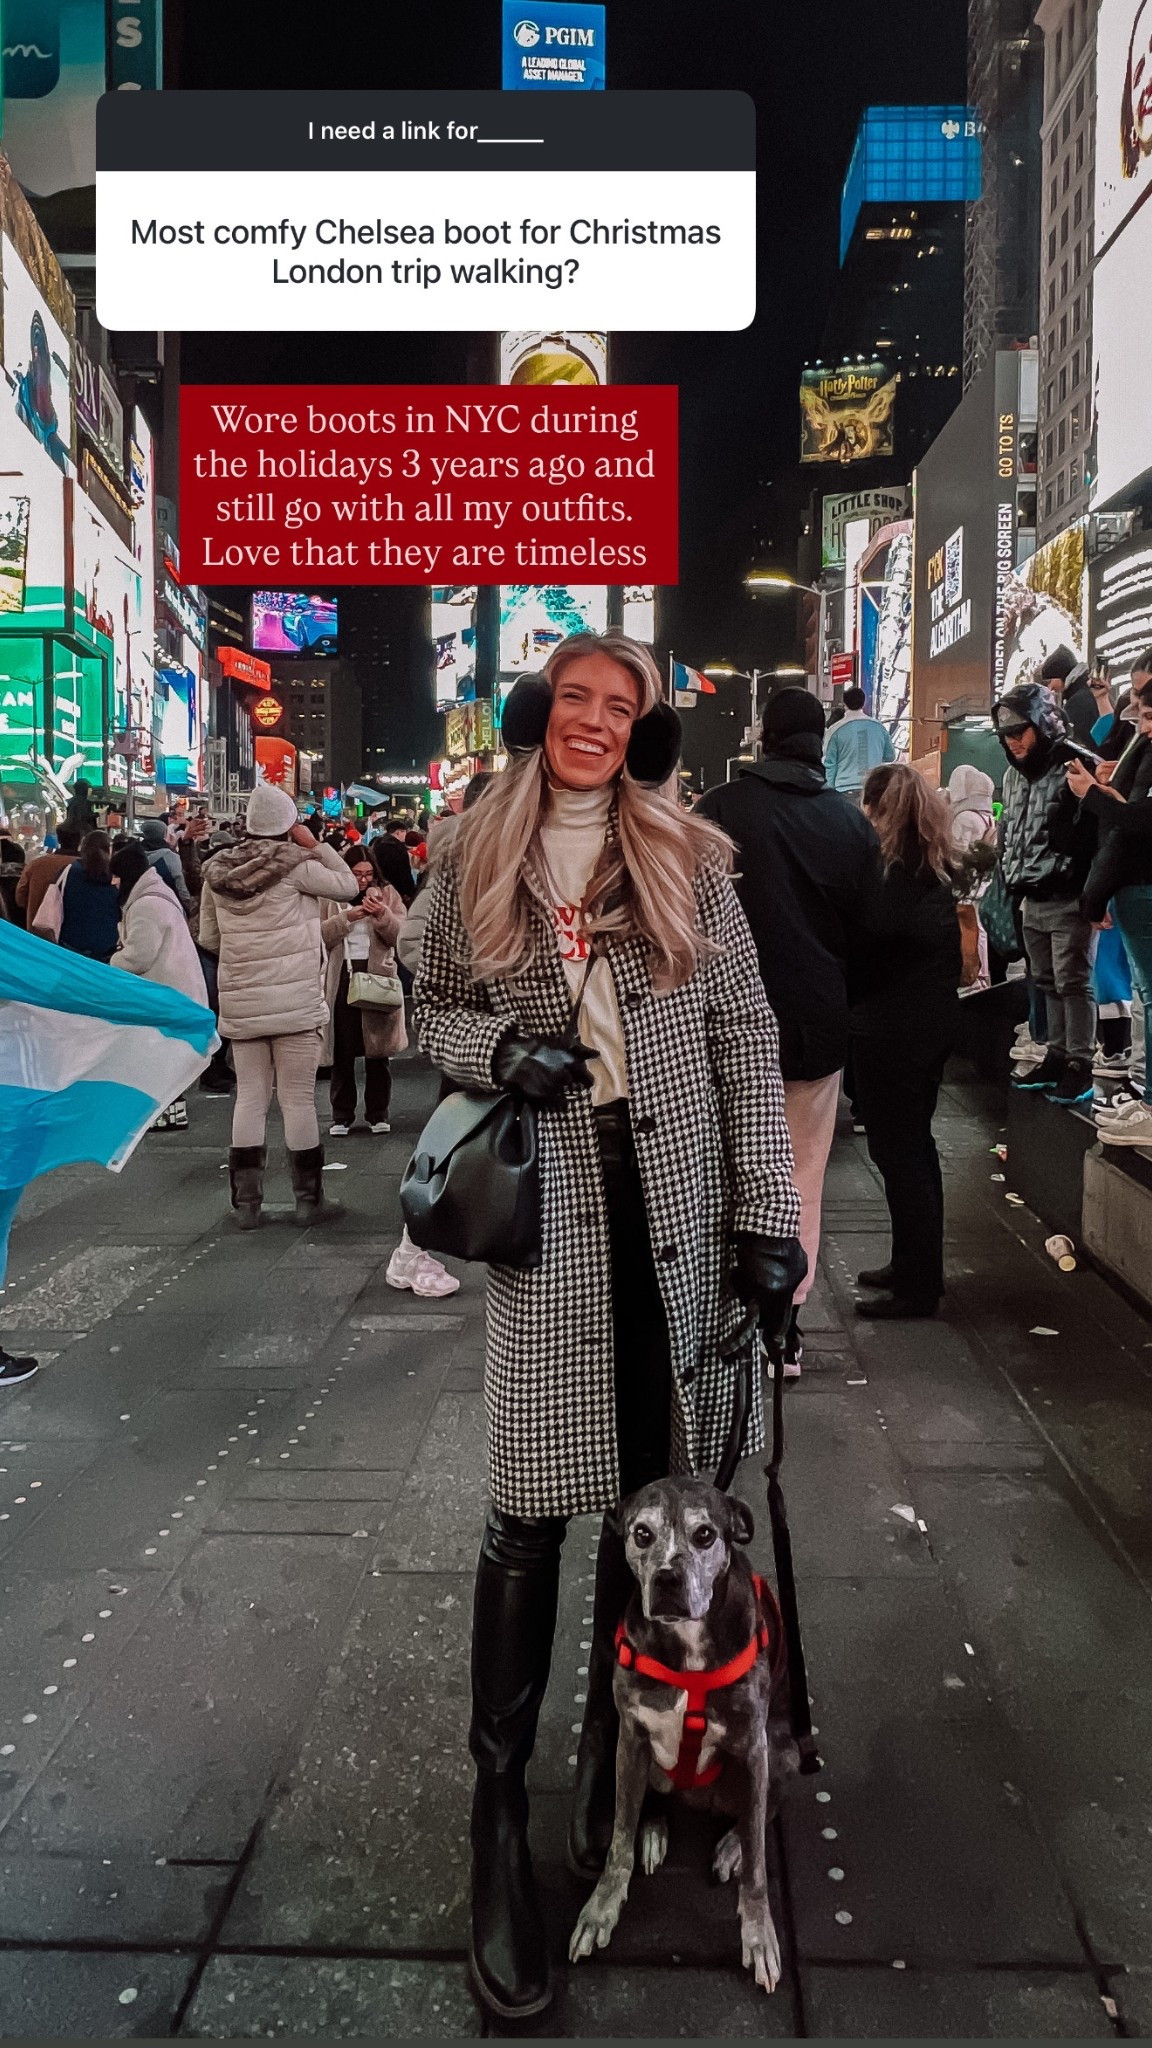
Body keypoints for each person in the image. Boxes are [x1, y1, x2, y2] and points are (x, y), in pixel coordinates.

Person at [414, 629, 804, 2022]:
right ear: (541, 715)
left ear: (641, 727)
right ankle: (495, 1812)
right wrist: (492, 1051)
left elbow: (747, 1037)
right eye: (572, 698)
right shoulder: (473, 850)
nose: (591, 720)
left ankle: (611, 1740)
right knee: (531, 1507)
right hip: (553, 1222)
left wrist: (773, 1216)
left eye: (617, 704)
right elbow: (430, 1007)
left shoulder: (691, 857)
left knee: (660, 1486)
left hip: (682, 1212)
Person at [697, 687, 880, 1375]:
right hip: (813, 1028)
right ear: (819, 741)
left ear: (764, 738)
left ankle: (721, 1316)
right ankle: (785, 1329)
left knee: (718, 1172)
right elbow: (868, 937)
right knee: (800, 1176)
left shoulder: (717, 809)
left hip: (719, 1030)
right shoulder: (849, 823)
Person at [198, 781, 358, 1229]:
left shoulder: (216, 873)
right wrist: (319, 844)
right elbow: (347, 886)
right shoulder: (296, 866)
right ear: (288, 826)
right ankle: (308, 1201)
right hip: (295, 1002)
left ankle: (247, 1206)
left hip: (243, 1002)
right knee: (297, 1101)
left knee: (249, 1097)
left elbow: (209, 938)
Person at [850, 764, 962, 1320]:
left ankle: (917, 1287)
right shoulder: (931, 863)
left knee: (902, 1156)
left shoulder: (890, 873)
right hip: (928, 1026)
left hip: (894, 1031)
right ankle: (914, 1265)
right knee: (913, 1152)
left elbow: (874, 946)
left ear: (876, 808)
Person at [386, 776, 495, 1301]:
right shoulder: (458, 871)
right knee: (457, 1149)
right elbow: (413, 941)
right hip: (477, 1042)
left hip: (509, 1042)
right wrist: (465, 987)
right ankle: (413, 1250)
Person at [994, 683, 1100, 1105]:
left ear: (1041, 724)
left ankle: (1080, 1062)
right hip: (1030, 894)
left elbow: (1097, 831)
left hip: (1068, 892)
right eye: (1006, 733)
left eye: (1021, 730)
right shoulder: (1011, 775)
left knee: (1072, 980)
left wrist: (1097, 892)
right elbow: (1010, 833)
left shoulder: (1075, 765)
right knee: (1046, 979)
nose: (1013, 740)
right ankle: (1058, 1054)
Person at [1071, 687, 1152, 1147]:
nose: (1142, 727)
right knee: (1141, 994)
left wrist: (1095, 797)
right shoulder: (1139, 749)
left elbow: (1139, 820)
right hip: (1131, 886)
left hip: (1140, 884)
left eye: (1147, 715)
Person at [109, 843, 210, 1130]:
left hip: (165, 994)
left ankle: (164, 1116)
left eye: (116, 876)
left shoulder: (146, 904)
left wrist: (113, 961)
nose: (113, 882)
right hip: (175, 990)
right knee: (165, 1058)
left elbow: (139, 957)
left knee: (158, 1058)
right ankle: (172, 1113)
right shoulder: (157, 895)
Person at [321, 850, 408, 1135]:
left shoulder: (388, 894)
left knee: (377, 1048)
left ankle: (378, 1112)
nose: (362, 880)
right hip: (341, 975)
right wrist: (348, 917)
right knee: (342, 1048)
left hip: (377, 974)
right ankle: (341, 1115)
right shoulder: (330, 896)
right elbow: (319, 936)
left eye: (368, 873)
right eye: (357, 874)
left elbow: (402, 937)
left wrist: (382, 914)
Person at [822, 684, 895, 799]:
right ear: (864, 702)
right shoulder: (879, 728)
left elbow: (829, 763)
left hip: (844, 789)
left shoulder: (835, 730)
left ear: (844, 703)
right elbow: (890, 756)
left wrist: (830, 792)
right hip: (873, 788)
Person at [58, 831, 121, 963]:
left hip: (70, 945)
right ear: (108, 849)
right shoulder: (115, 875)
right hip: (107, 947)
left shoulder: (69, 871)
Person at [15, 824, 80, 929]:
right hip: (75, 933)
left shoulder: (36, 864)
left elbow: (20, 897)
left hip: (38, 932)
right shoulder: (88, 867)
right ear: (79, 841)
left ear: (59, 840)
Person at [1040, 646, 1098, 744]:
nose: (1050, 687)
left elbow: (1075, 741)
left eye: (1050, 681)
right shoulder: (1088, 692)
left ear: (1061, 675)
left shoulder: (1077, 702)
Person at [138, 817, 193, 908]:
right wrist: (187, 907)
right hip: (167, 905)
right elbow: (179, 885)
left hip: (139, 904)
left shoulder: (134, 854)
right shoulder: (169, 856)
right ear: (163, 834)